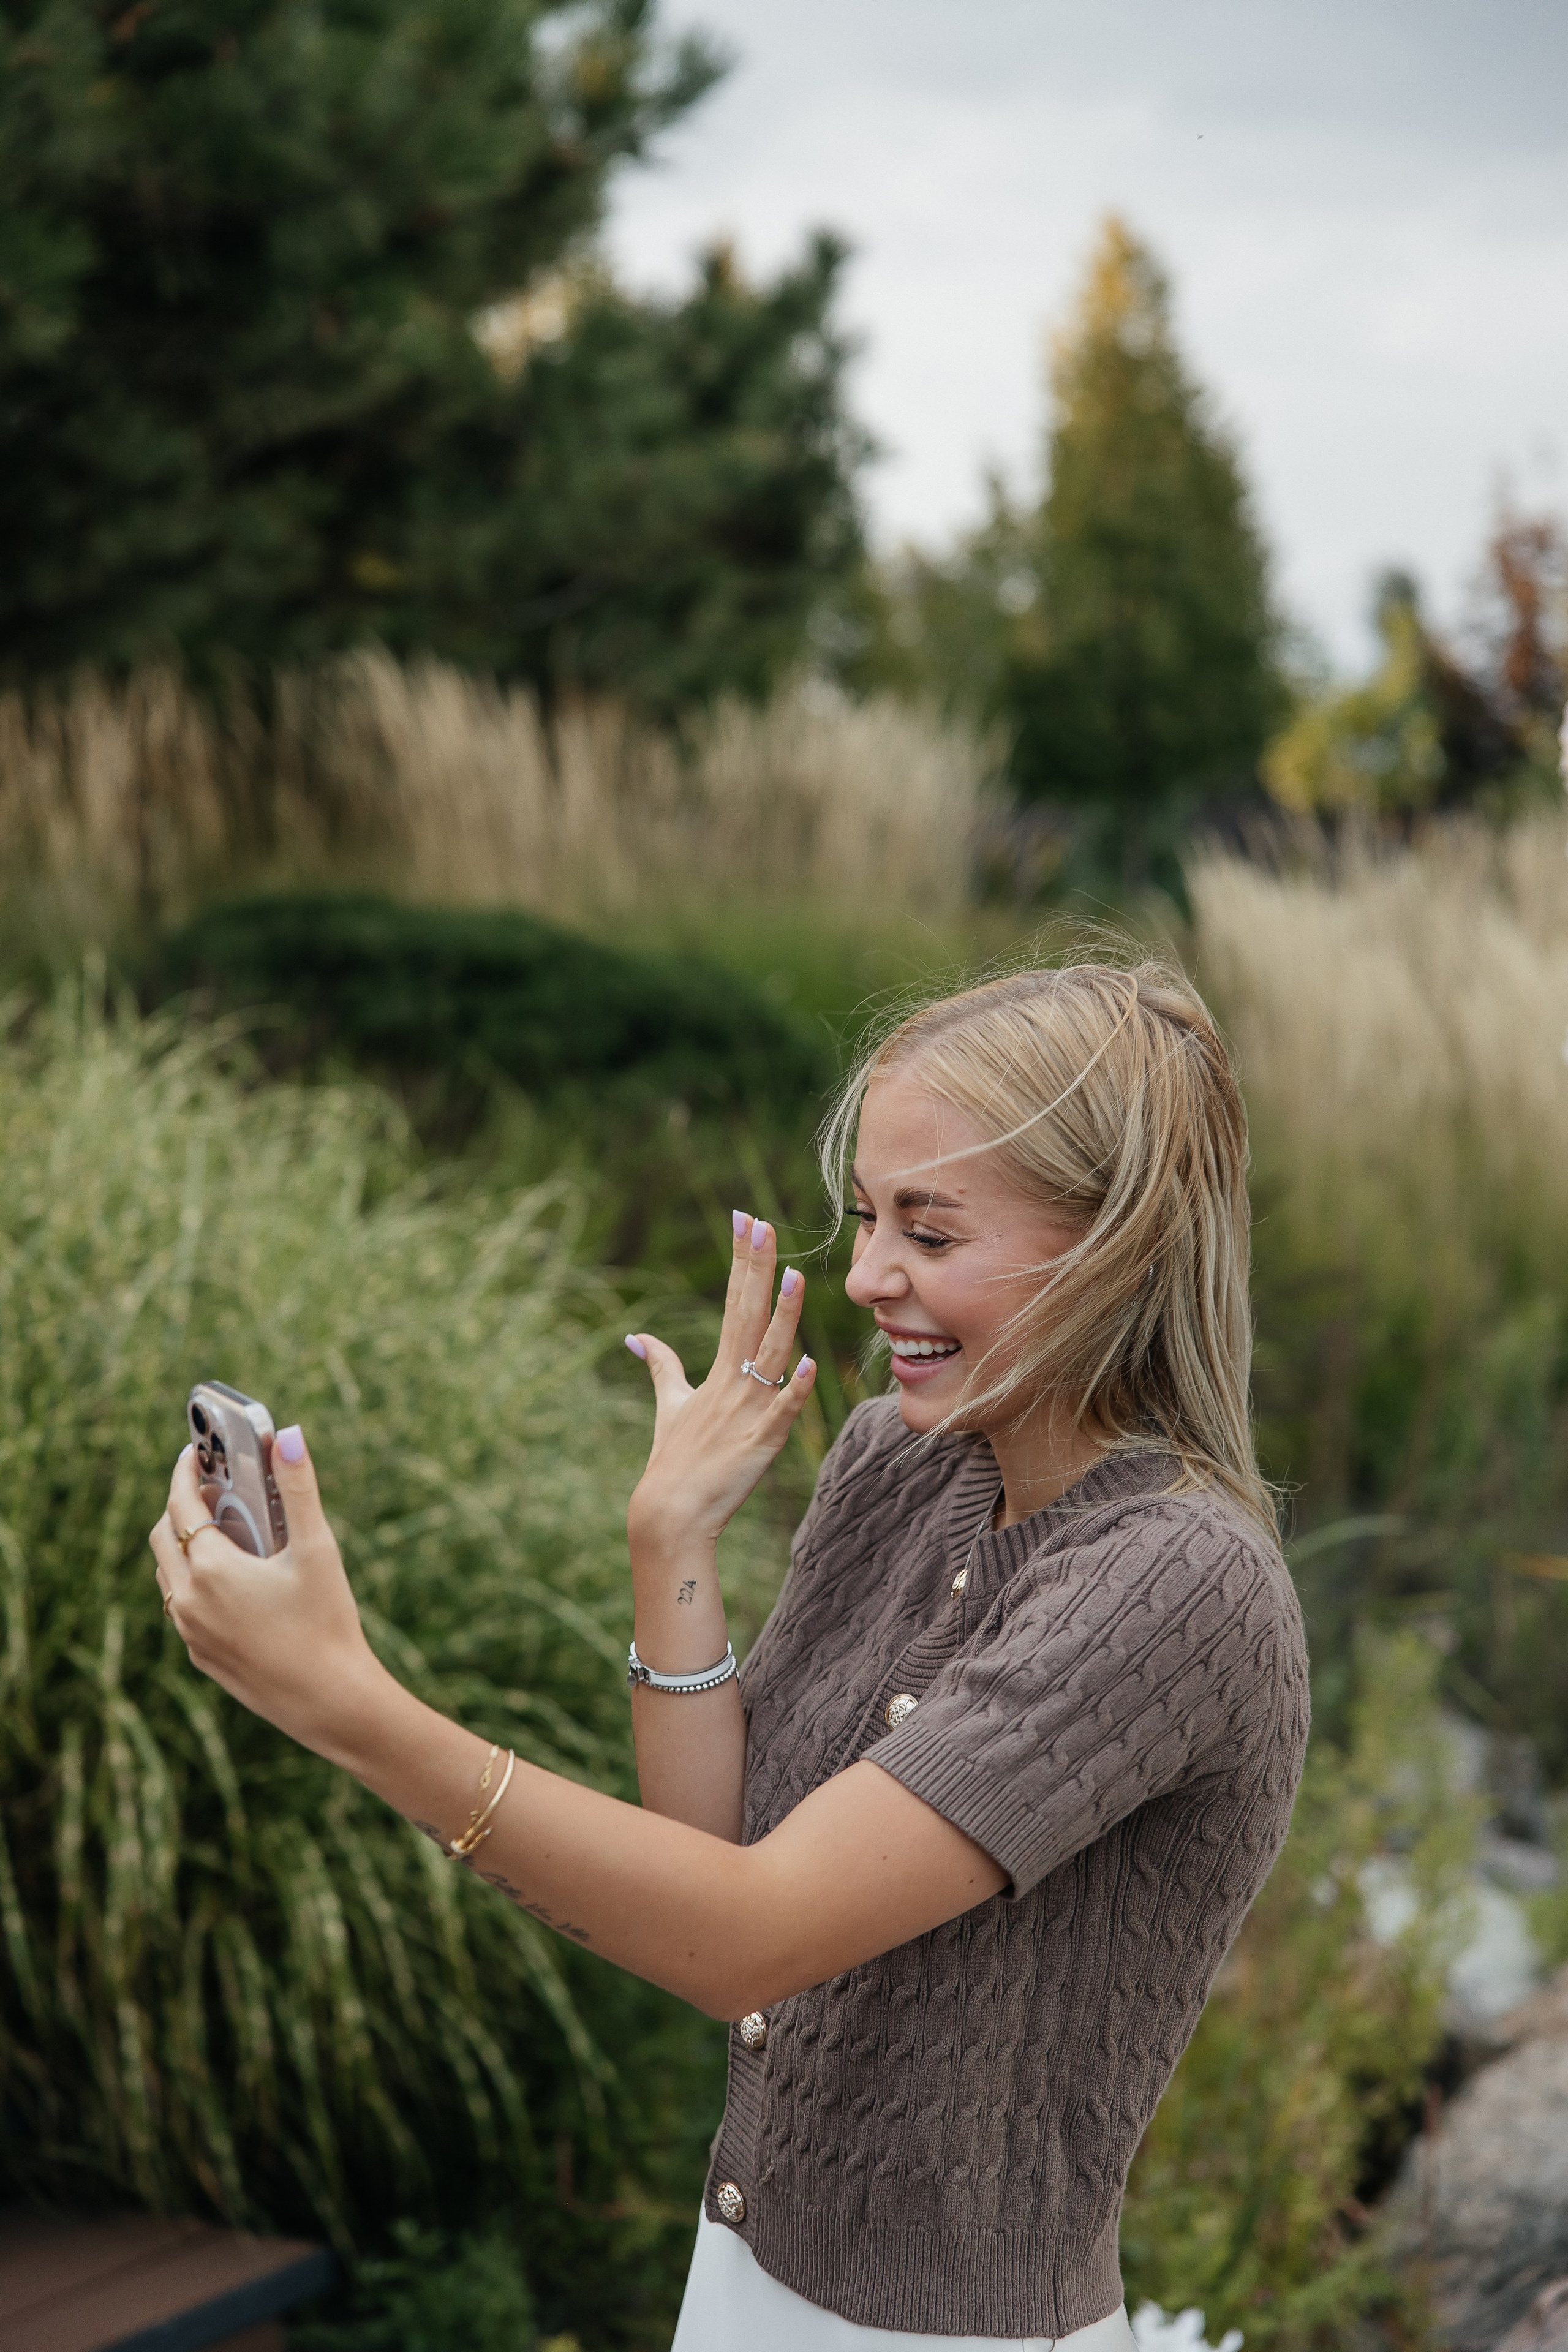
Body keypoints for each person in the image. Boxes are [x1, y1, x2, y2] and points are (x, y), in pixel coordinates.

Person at [151, 959, 1310, 2351]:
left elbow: (739, 1944)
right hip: (741, 2275)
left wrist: (349, 1706)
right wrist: (669, 1540)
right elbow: (713, 1850)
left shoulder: (1174, 1584)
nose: (870, 1274)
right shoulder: (901, 1458)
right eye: (870, 1216)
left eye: (929, 1235)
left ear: (1109, 1247)